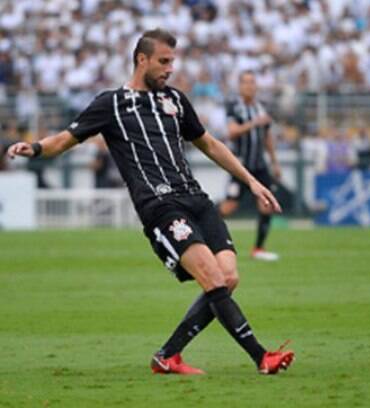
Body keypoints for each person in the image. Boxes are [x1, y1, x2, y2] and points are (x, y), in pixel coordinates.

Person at [6, 29, 294, 375]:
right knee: (213, 278)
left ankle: (168, 356)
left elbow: (211, 144)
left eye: (172, 61)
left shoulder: (174, 100)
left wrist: (251, 181)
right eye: (163, 61)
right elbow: (64, 141)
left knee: (229, 278)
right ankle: (262, 357)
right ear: (141, 60)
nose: (170, 68)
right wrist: (34, 147)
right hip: (160, 206)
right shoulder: (110, 103)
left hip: (196, 198)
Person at [219, 71, 282, 261]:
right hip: (241, 167)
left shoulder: (261, 107)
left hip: (260, 166)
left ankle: (259, 248)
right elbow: (232, 132)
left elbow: (267, 137)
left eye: (252, 82)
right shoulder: (234, 107)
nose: (249, 86)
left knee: (266, 204)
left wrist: (274, 161)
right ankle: (204, 232)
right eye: (245, 83)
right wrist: (254, 123)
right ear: (239, 86)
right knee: (229, 207)